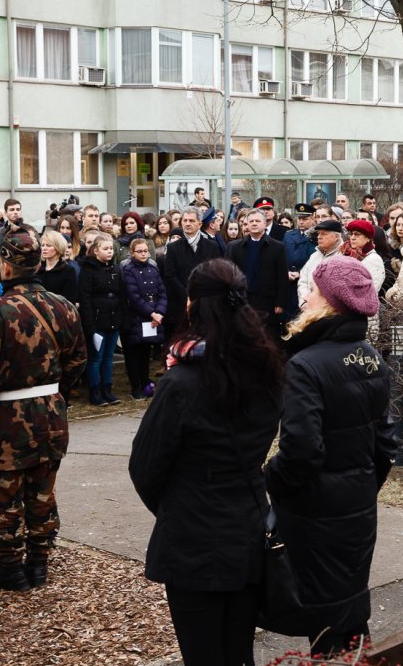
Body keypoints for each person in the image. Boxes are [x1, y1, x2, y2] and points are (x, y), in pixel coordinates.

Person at [129, 259, 283, 666]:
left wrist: (178, 506)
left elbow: (144, 467)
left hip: (193, 538)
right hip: (247, 526)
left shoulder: (181, 383)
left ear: (193, 304)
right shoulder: (266, 370)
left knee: (204, 655)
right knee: (239, 653)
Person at [266, 255, 393, 656]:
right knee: (349, 602)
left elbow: (301, 451)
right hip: (357, 504)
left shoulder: (305, 365)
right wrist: (361, 484)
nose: (305, 299)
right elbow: (386, 445)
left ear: (333, 304)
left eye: (314, 292)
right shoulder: (372, 357)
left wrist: (270, 479)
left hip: (314, 511)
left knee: (325, 614)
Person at [0, 225, 87, 591]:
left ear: (5, 264)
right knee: (42, 492)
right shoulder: (64, 306)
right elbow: (78, 360)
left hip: (6, 421)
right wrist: (55, 395)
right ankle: (39, 564)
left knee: (6, 497)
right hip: (50, 414)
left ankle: (11, 569)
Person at [79, 232, 127, 406]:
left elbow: (122, 295)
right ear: (96, 251)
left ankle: (107, 389)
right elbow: (85, 299)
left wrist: (122, 318)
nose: (109, 252)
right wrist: (90, 326)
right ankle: (95, 391)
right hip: (97, 320)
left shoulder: (115, 269)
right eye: (105, 249)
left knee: (108, 357)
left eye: (111, 249)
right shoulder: (88, 270)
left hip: (113, 319)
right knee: (96, 358)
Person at [224, 208, 289, 334]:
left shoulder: (277, 247)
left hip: (267, 302)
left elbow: (282, 277)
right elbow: (228, 275)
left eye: (257, 221)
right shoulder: (234, 247)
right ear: (246, 224)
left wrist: (280, 303)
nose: (254, 224)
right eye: (251, 221)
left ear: (265, 224)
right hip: (241, 301)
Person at [163, 207, 223, 338]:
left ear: (200, 224)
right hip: (181, 303)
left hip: (205, 302)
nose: (187, 223)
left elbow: (215, 273)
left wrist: (200, 294)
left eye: (191, 221)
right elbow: (170, 275)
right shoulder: (173, 248)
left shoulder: (212, 246)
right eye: (185, 220)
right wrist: (187, 295)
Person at [121, 238, 166, 399]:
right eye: (139, 251)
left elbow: (162, 292)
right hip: (136, 317)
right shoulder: (128, 270)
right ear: (132, 253)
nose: (143, 254)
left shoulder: (153, 268)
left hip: (152, 317)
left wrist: (159, 312)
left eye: (145, 251)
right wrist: (152, 313)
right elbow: (134, 297)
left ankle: (146, 382)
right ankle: (136, 386)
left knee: (146, 353)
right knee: (134, 354)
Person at [297, 219, 344, 308]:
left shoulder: (345, 256)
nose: (319, 237)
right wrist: (304, 302)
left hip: (331, 310)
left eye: (324, 234)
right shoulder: (314, 256)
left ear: (336, 237)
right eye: (319, 234)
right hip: (308, 308)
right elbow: (303, 281)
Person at [38, 229, 79, 304]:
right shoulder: (37, 269)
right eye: (42, 245)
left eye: (48, 245)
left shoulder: (68, 271)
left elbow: (70, 299)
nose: (44, 248)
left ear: (58, 247)